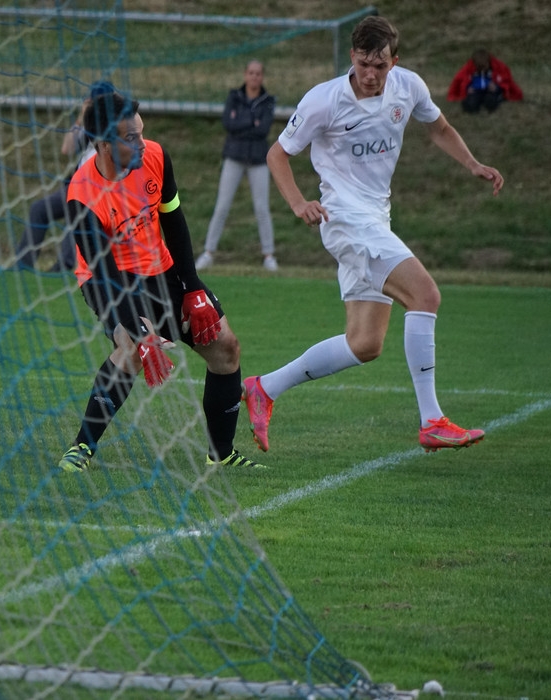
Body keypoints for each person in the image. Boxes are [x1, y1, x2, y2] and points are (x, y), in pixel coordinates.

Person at [243, 15, 503, 455]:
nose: (370, 74)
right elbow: (277, 154)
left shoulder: (408, 87)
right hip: (344, 221)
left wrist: (473, 164)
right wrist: (299, 203)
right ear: (352, 57)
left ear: (393, 62)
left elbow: (438, 127)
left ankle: (264, 388)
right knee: (425, 295)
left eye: (379, 66)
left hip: (376, 221)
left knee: (365, 343)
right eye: (363, 64)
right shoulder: (324, 100)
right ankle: (432, 421)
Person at [58, 84, 265, 473]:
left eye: (142, 132)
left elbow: (174, 220)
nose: (142, 143)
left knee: (225, 346)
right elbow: (105, 277)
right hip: (110, 279)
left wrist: (193, 287)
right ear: (104, 144)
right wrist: (140, 332)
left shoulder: (154, 155)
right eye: (130, 138)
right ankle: (82, 446)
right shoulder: (82, 197)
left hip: (161, 268)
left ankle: (221, 453)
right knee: (131, 350)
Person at [195, 60, 278, 272]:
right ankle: (208, 252)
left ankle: (269, 255)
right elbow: (228, 123)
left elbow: (263, 129)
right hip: (234, 156)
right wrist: (251, 121)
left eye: (258, 73)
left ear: (262, 76)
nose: (254, 77)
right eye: (251, 72)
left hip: (258, 159)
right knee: (222, 206)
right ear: (245, 74)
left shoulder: (268, 100)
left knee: (262, 207)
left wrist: (242, 122)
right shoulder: (234, 96)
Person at [14, 99, 95, 272]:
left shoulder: (116, 129)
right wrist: (80, 119)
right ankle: (23, 265)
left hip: (100, 191)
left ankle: (64, 265)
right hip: (76, 186)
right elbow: (67, 149)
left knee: (75, 209)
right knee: (39, 209)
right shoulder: (88, 127)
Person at [446, 48, 523, 114]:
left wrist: (497, 88)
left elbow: (507, 82)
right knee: (471, 105)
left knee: (491, 102)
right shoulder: (469, 68)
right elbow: (458, 81)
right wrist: (467, 88)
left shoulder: (498, 67)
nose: (481, 69)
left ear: (488, 62)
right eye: (479, 67)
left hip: (491, 92)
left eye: (483, 67)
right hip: (476, 92)